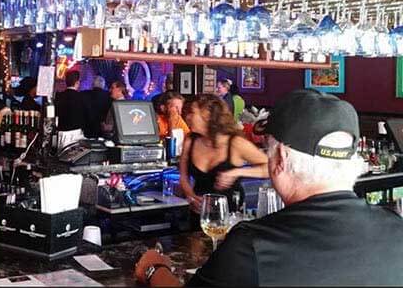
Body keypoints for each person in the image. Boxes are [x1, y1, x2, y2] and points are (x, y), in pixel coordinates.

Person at [136, 89, 403, 287]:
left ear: (281, 159)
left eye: (269, 148)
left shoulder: (253, 245)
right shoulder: (396, 230)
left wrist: (153, 269)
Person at [179, 94, 268, 219]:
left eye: (192, 113)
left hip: (230, 216)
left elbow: (271, 168)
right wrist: (191, 196)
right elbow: (183, 177)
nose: (187, 117)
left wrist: (237, 172)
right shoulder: (190, 140)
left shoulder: (235, 143)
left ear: (208, 115)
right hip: (199, 213)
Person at [55, 70, 90, 134]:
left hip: (61, 131)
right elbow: (86, 116)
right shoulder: (82, 97)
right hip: (76, 132)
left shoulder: (59, 96)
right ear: (77, 82)